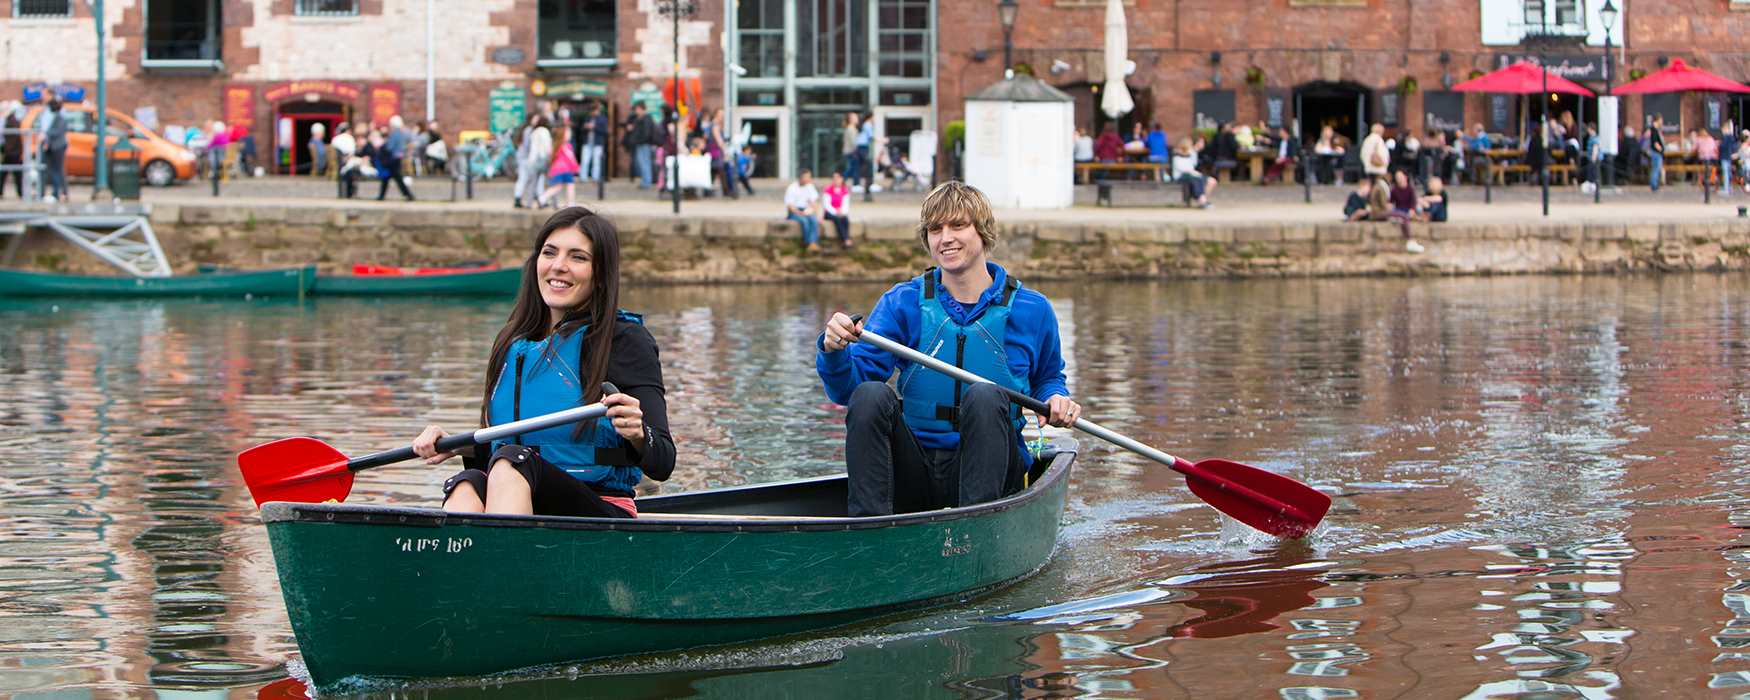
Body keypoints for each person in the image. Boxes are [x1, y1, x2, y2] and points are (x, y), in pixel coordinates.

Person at [815, 181, 1081, 517]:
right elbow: (846, 391)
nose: (946, 238)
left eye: (958, 225)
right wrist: (833, 350)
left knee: (985, 395)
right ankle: (870, 529)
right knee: (870, 395)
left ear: (982, 232)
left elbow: (1048, 378)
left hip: (994, 469)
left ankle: (977, 529)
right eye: (935, 229)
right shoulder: (903, 302)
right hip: (916, 470)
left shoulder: (1032, 309)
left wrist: (1056, 398)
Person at [413, 207, 675, 518]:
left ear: (600, 273)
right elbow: (518, 446)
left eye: (578, 257)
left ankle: (508, 562)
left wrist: (636, 432)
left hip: (602, 510)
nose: (559, 266)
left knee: (512, 462)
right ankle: (465, 563)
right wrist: (458, 445)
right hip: (522, 492)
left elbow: (663, 461)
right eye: (550, 253)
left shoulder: (624, 340)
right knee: (466, 483)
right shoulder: (514, 342)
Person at [35, 94, 68, 202]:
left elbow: (57, 131)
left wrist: (46, 135)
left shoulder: (60, 118)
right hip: (50, 147)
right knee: (48, 170)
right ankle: (48, 192)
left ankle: (58, 193)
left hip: (57, 147)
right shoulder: (51, 117)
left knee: (56, 171)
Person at [376, 115, 416, 201]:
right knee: (389, 178)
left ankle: (408, 195)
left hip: (393, 158)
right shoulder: (401, 133)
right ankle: (407, 195)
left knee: (394, 178)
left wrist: (382, 146)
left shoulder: (395, 133)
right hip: (397, 157)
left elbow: (390, 147)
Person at [539, 126, 580, 208]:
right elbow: (570, 157)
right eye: (568, 133)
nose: (570, 134)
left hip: (556, 170)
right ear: (563, 135)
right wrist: (576, 167)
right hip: (565, 170)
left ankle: (543, 197)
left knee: (558, 186)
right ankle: (570, 203)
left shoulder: (556, 145)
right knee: (570, 185)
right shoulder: (566, 146)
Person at [518, 115, 552, 208]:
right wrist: (550, 159)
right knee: (550, 183)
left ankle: (529, 204)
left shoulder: (534, 132)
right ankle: (546, 202)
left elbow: (533, 150)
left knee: (533, 183)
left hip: (534, 161)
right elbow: (548, 148)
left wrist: (530, 161)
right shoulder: (545, 131)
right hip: (544, 160)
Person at [785, 169, 823, 252]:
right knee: (804, 221)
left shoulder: (810, 187)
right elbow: (790, 206)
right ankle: (808, 242)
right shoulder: (792, 188)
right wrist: (799, 213)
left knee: (813, 220)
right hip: (795, 212)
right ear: (801, 178)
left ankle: (813, 243)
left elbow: (814, 203)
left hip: (806, 210)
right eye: (808, 177)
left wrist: (817, 215)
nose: (810, 179)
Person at [1172, 138, 1215, 208]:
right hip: (1181, 176)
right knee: (1196, 179)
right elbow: (1183, 169)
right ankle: (1202, 201)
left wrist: (1194, 152)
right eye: (1190, 146)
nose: (1191, 147)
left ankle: (1203, 199)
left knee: (1212, 181)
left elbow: (1193, 166)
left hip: (1192, 174)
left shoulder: (1190, 155)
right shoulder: (1177, 156)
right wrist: (1194, 173)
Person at [623, 103, 657, 189]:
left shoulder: (646, 118)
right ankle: (645, 181)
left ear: (641, 109)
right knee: (642, 163)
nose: (636, 111)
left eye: (637, 109)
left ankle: (646, 182)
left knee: (644, 163)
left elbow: (646, 132)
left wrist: (640, 140)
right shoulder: (640, 118)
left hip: (644, 144)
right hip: (640, 143)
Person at [1388, 170, 1423, 253]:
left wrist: (1412, 210)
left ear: (1405, 177)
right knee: (1399, 214)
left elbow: (1413, 202)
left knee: (1418, 209)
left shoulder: (1410, 189)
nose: (1399, 179)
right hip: (1399, 209)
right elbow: (1391, 201)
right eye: (1397, 177)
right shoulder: (1394, 189)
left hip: (1408, 209)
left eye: (1400, 177)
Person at [821, 171, 852, 248]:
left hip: (841, 212)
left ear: (841, 179)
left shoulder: (844, 190)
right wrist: (835, 211)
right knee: (837, 219)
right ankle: (845, 239)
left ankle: (846, 239)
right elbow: (826, 205)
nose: (836, 180)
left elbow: (846, 204)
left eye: (838, 178)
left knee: (845, 219)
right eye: (834, 178)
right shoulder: (828, 189)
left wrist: (842, 211)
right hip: (829, 213)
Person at [578, 103, 607, 183]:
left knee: (596, 162)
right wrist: (585, 127)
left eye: (595, 110)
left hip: (598, 143)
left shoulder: (603, 119)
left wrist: (594, 127)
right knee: (585, 160)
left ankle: (596, 177)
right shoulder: (587, 118)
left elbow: (604, 131)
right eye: (592, 111)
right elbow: (581, 129)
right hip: (587, 142)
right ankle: (583, 177)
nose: (594, 112)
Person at [1, 101, 23, 200]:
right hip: (12, 151)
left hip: (11, 151)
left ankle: (20, 193)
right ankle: (20, 193)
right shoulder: (12, 120)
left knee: (10, 173)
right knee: (13, 173)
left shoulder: (11, 120)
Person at [333, 123, 360, 198]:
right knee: (354, 169)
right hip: (347, 162)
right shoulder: (350, 138)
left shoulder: (335, 139)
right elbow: (352, 152)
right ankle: (350, 193)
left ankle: (342, 193)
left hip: (338, 162)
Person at [1648, 114, 1667, 192]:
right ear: (1658, 120)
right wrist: (1661, 150)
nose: (1662, 121)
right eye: (1661, 120)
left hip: (1656, 152)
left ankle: (1654, 184)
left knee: (1656, 168)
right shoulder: (1654, 130)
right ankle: (1654, 185)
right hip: (1656, 153)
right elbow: (1655, 143)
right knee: (1655, 168)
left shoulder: (1656, 129)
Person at [1722, 121, 1739, 195]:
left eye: (1723, 129)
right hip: (1729, 157)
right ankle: (1729, 188)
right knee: (1729, 173)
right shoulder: (1732, 138)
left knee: (1726, 173)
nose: (1722, 131)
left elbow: (1724, 147)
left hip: (1725, 156)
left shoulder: (1726, 137)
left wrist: (1719, 145)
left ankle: (1726, 189)